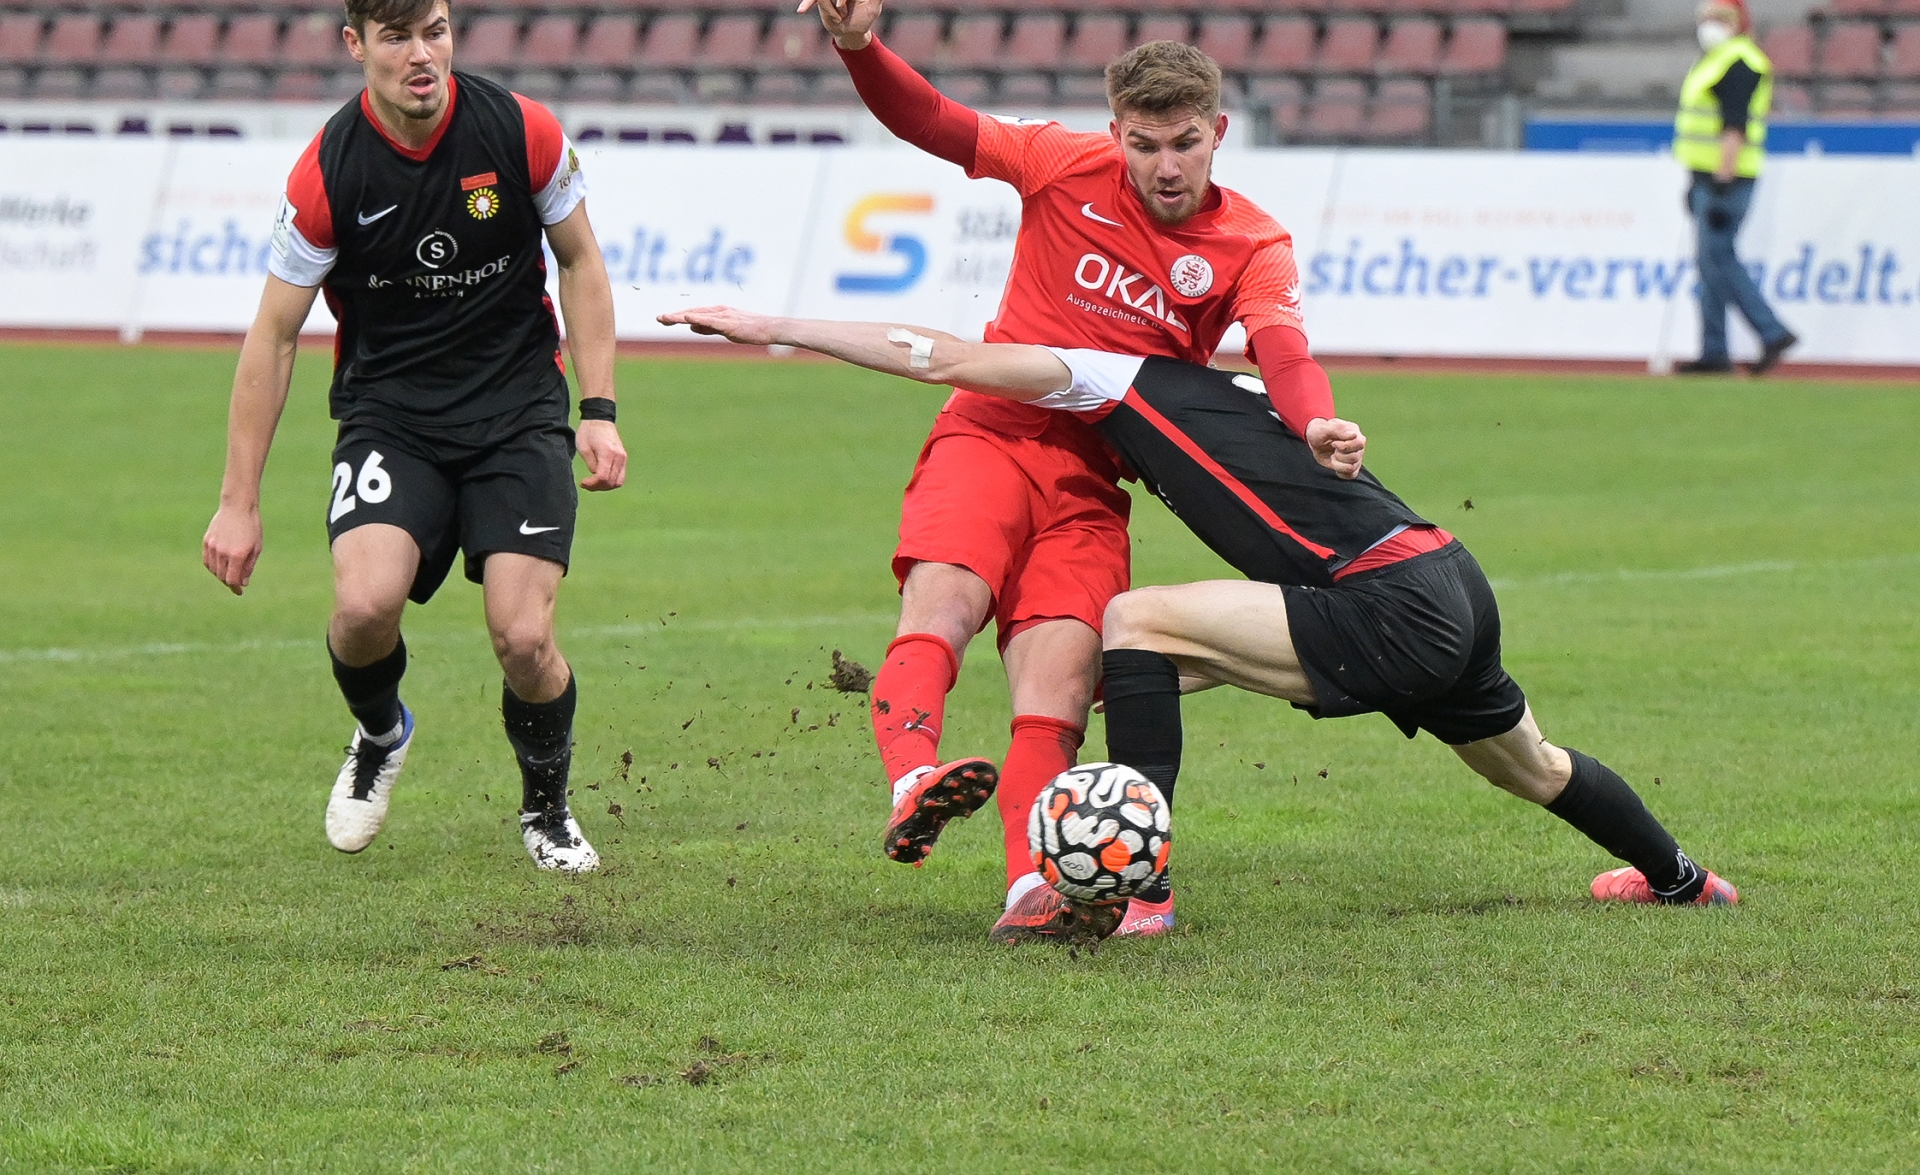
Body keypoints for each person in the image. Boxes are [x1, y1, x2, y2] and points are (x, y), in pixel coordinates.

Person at [656, 307, 1742, 943]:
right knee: (1535, 765)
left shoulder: (1112, 375)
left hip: (1382, 603)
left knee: (1131, 618)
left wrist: (777, 327)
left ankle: (1143, 889)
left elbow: (939, 355)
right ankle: (1684, 879)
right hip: (1446, 579)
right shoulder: (1227, 385)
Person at [791, 0, 1365, 943]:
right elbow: (933, 121)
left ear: (1218, 133)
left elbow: (1284, 352)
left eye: (1184, 142)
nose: (1165, 165)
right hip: (991, 432)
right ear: (1116, 132)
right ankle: (913, 779)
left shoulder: (1250, 242)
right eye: (1144, 144)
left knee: (1055, 691)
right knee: (945, 605)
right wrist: (859, 48)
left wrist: (1314, 422)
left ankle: (1029, 884)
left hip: (1096, 477)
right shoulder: (1060, 162)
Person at [201, 0, 628, 873]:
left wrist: (597, 407)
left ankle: (547, 808)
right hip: (392, 415)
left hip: (517, 410)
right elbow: (273, 337)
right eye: (396, 37)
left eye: (435, 30)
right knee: (362, 608)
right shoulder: (327, 173)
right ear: (355, 44)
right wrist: (238, 500)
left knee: (524, 635)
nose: (421, 54)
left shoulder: (520, 130)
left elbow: (582, 262)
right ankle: (380, 732)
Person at [1674, 0, 1797, 376]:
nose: (1710, 27)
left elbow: (1734, 127)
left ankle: (1771, 331)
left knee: (1718, 259)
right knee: (1710, 262)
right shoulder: (1718, 60)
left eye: (1719, 19)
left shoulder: (1740, 62)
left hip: (1727, 178)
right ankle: (1714, 351)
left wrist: (1721, 179)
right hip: (1707, 176)